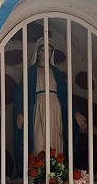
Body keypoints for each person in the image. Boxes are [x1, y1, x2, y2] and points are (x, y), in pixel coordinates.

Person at [13, 38, 87, 173]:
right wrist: (20, 112)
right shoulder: (30, 72)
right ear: (38, 52)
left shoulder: (56, 73)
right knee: (38, 140)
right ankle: (37, 176)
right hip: (37, 110)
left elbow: (66, 97)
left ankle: (55, 175)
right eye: (43, 50)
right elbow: (20, 93)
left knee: (55, 139)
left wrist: (76, 114)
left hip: (55, 110)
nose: (46, 53)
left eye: (49, 51)